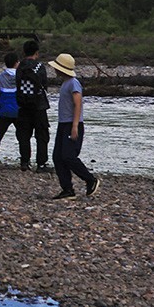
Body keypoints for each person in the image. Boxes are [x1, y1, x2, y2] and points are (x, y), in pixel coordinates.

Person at [48, 53, 100, 200]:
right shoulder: (65, 83)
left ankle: (90, 179)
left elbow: (78, 104)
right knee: (57, 157)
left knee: (68, 156)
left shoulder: (73, 83)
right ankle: (67, 189)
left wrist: (75, 126)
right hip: (63, 124)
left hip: (72, 124)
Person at [16, 39, 51, 172]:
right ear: (37, 52)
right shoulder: (40, 67)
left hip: (23, 105)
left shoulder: (20, 66)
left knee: (24, 135)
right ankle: (41, 164)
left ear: (24, 52)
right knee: (42, 135)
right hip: (39, 106)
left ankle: (25, 162)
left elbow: (18, 83)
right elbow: (44, 85)